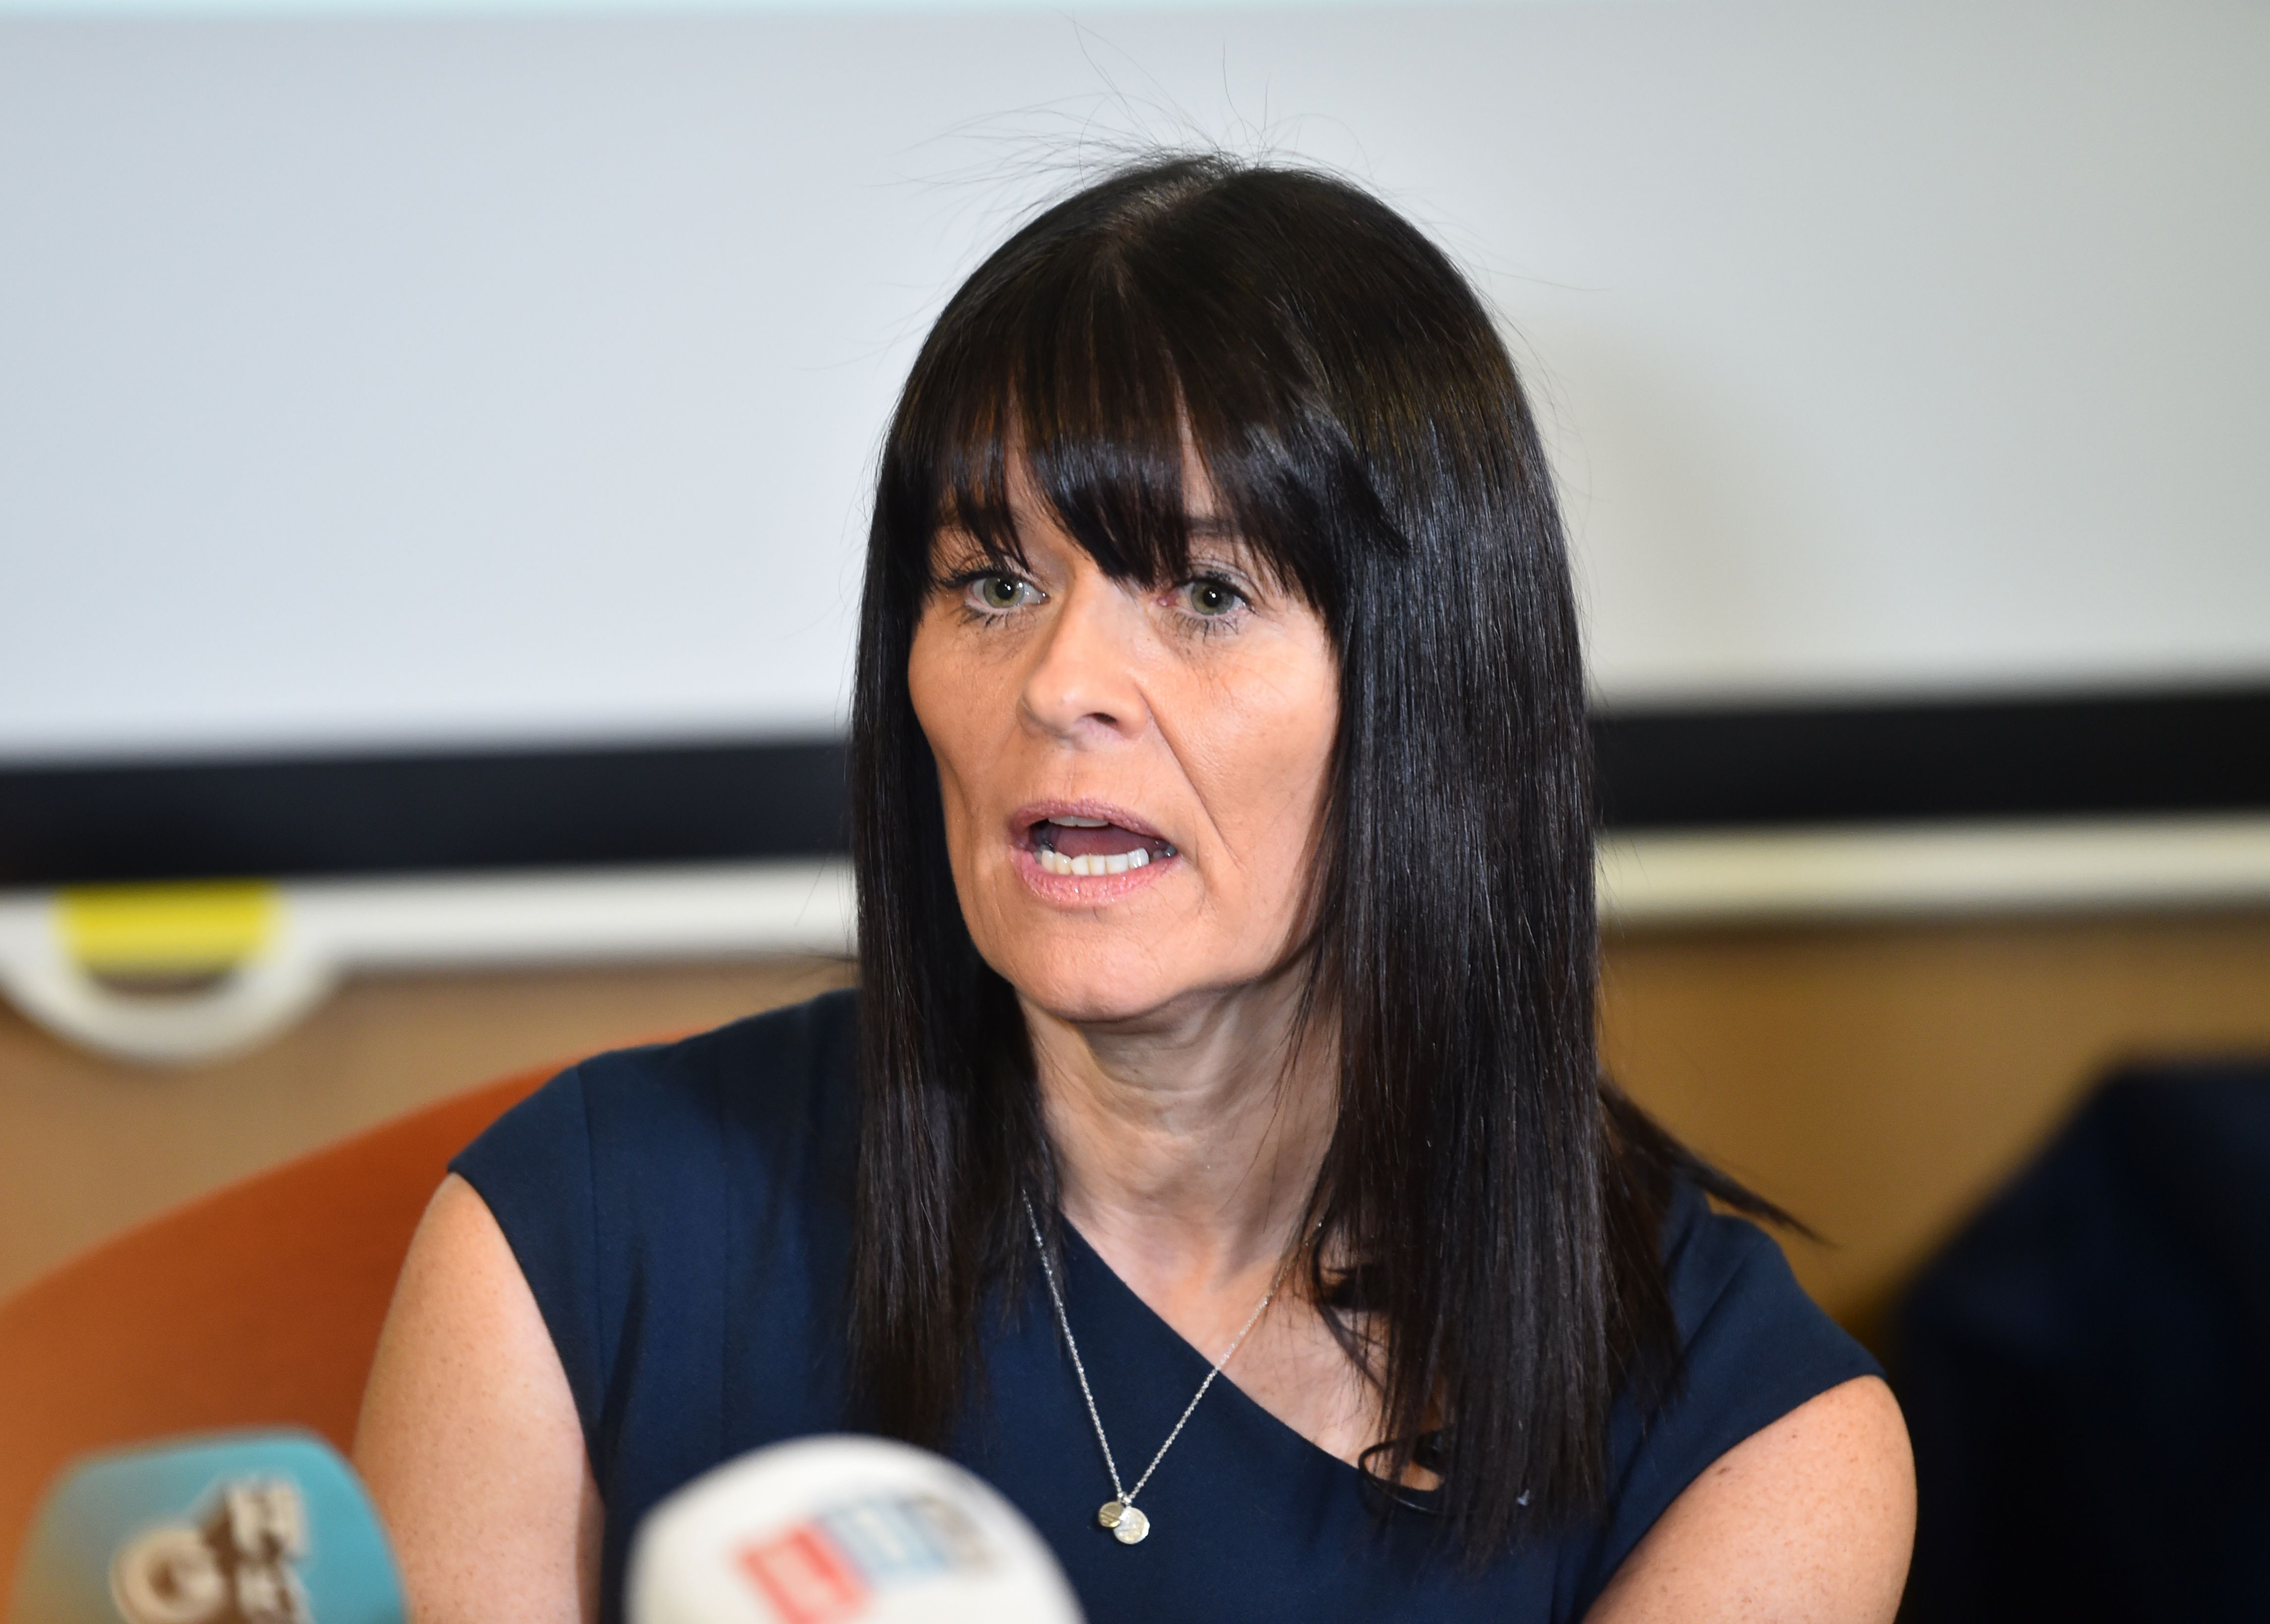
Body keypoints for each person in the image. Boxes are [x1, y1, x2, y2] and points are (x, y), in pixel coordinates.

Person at [353, 153, 1914, 1623]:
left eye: (1208, 591)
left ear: (1435, 693)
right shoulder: (576, 1233)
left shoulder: (1758, 1450)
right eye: (993, 582)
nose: (1061, 682)